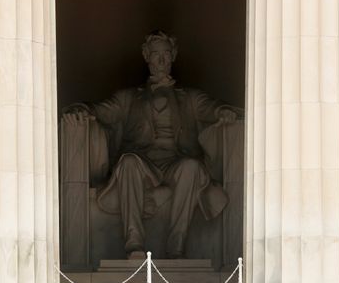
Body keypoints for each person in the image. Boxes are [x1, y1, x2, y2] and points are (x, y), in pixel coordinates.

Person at [62, 31, 242, 259]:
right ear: (146, 56)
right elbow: (99, 110)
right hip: (142, 164)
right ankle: (134, 243)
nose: (161, 61)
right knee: (127, 162)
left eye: (166, 54)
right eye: (155, 54)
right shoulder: (128, 98)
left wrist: (223, 112)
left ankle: (176, 246)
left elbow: (213, 108)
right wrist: (79, 109)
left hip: (175, 164)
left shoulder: (190, 98)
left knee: (192, 167)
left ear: (173, 56)